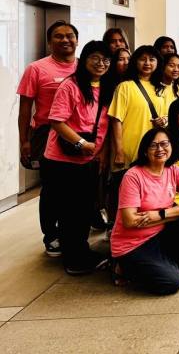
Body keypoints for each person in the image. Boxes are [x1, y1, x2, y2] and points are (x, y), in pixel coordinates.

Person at [110, 127, 179, 295]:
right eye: (153, 146)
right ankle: (122, 266)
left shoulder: (174, 171)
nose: (160, 149)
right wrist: (172, 216)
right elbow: (130, 220)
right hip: (134, 243)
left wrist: (162, 215)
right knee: (171, 283)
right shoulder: (133, 176)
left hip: (159, 234)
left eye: (164, 144)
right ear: (144, 150)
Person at [45, 41, 113, 274]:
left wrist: (100, 152)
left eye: (106, 60)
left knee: (84, 209)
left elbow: (104, 126)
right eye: (95, 58)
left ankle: (81, 251)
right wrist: (81, 142)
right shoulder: (71, 85)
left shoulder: (105, 87)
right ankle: (73, 259)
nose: (101, 63)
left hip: (89, 159)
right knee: (69, 211)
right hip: (64, 160)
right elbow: (56, 120)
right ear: (84, 59)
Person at [17, 21, 79, 256]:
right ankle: (51, 236)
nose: (65, 40)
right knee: (53, 188)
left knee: (76, 189)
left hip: (78, 135)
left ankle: (72, 231)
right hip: (46, 135)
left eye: (70, 36)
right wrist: (25, 140)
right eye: (59, 36)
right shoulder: (37, 69)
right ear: (49, 41)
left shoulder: (84, 67)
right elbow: (25, 110)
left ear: (77, 39)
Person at [108, 46, 170, 224]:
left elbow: (165, 117)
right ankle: (116, 229)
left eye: (152, 59)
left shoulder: (161, 89)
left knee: (146, 194)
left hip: (152, 151)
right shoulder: (125, 86)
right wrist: (119, 151)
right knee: (122, 195)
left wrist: (163, 121)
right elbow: (116, 120)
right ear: (135, 62)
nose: (147, 63)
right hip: (129, 149)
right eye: (143, 59)